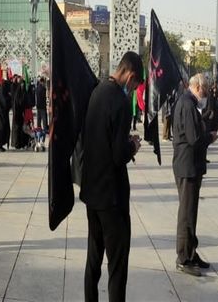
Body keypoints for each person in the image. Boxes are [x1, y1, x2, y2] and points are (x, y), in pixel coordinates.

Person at [80, 52, 143, 302]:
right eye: (136, 85)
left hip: (92, 191)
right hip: (111, 198)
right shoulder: (119, 101)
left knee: (93, 258)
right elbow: (118, 155)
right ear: (131, 76)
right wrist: (133, 146)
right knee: (117, 264)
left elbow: (98, 138)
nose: (134, 89)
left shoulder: (97, 91)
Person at [172, 73, 218, 277]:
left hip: (191, 164)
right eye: (206, 89)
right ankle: (183, 257)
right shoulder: (187, 104)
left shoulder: (189, 103)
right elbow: (194, 138)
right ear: (198, 87)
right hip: (187, 165)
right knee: (186, 213)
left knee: (191, 211)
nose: (207, 93)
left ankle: (191, 252)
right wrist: (210, 136)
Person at [0, 80, 11, 152]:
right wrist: (10, 98)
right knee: (1, 129)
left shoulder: (3, 91)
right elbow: (5, 103)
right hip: (1, 114)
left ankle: (2, 144)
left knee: (4, 129)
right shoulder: (2, 92)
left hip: (4, 114)